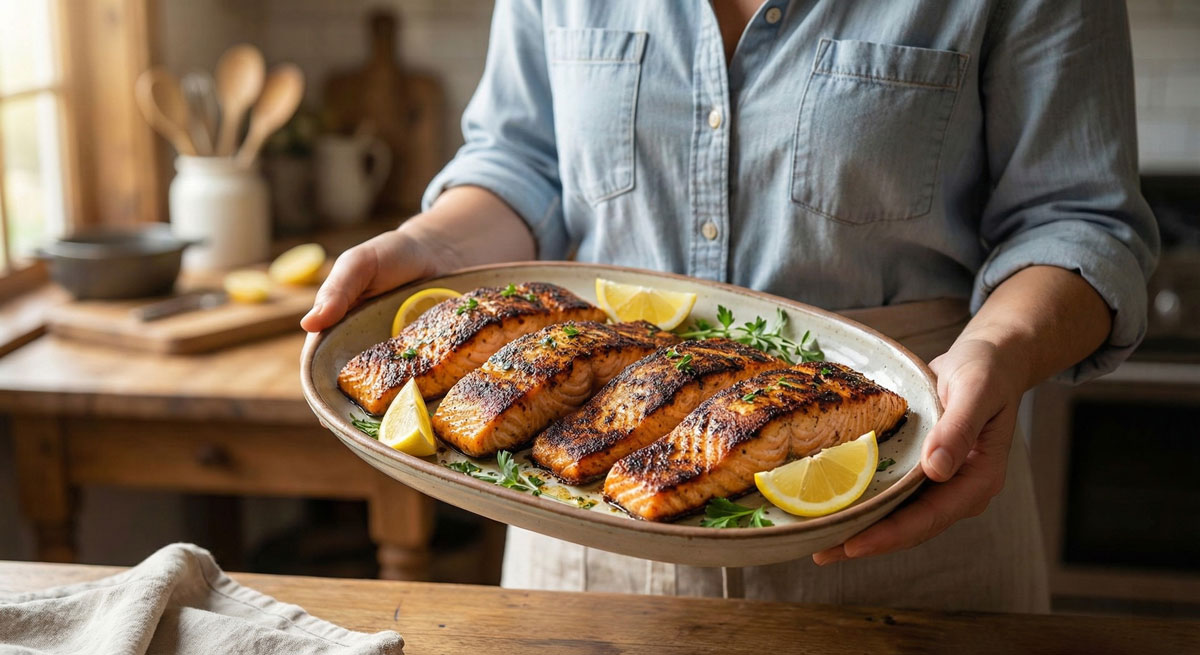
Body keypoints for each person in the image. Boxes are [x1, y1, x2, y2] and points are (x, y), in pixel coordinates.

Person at [302, 1, 1159, 612]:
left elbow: (1080, 220)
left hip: (904, 509)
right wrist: (435, 251)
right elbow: (520, 161)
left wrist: (1000, 351)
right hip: (583, 520)